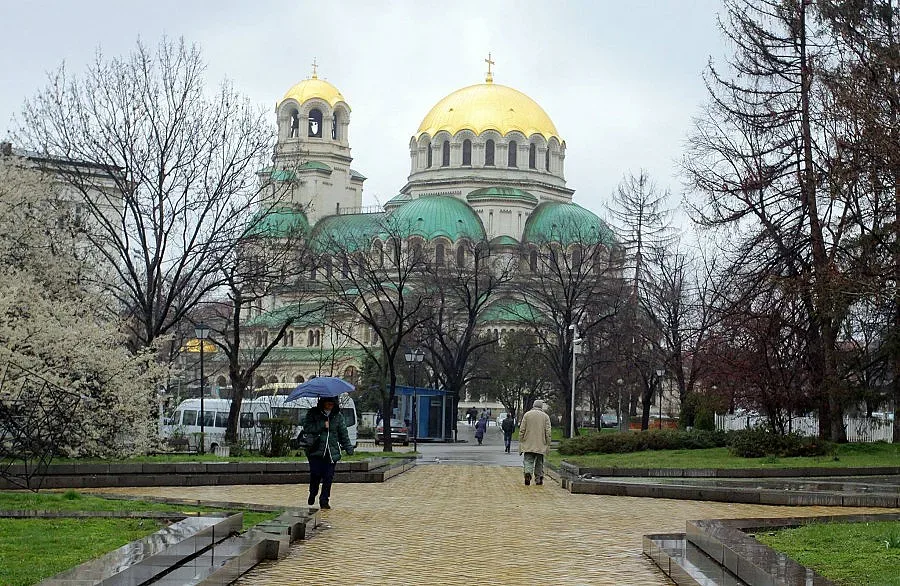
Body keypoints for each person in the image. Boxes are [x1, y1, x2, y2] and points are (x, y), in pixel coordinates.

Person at [302, 396, 354, 509]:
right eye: (328, 402)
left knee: (328, 477)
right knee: (315, 474)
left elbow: (343, 433)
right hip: (315, 451)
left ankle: (324, 500)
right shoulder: (313, 413)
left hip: (331, 452)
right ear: (323, 402)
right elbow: (307, 428)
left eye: (333, 402)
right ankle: (313, 492)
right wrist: (322, 425)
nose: (330, 404)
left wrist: (348, 447)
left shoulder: (338, 416)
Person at [518, 399, 552, 486]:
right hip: (541, 443)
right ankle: (539, 478)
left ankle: (528, 473)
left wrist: (521, 440)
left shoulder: (527, 415)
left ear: (533, 405)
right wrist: (548, 443)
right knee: (539, 462)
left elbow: (522, 429)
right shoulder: (545, 417)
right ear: (541, 406)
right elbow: (548, 432)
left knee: (528, 460)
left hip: (528, 442)